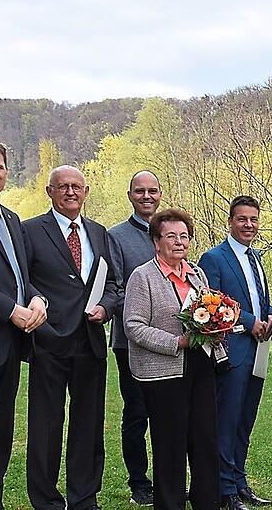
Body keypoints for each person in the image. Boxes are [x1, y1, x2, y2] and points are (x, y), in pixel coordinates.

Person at [23, 165, 119, 510]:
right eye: (62, 186)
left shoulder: (98, 232)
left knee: (88, 425)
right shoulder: (30, 230)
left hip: (89, 341)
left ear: (86, 191)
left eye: (76, 186)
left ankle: (83, 496)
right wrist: (39, 306)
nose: (70, 192)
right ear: (50, 191)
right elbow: (22, 281)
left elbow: (112, 283)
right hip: (48, 340)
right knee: (46, 424)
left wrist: (106, 309)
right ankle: (45, 498)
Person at [123, 208, 222, 510]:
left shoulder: (196, 273)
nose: (179, 242)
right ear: (156, 241)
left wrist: (217, 326)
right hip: (164, 373)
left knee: (204, 441)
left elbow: (209, 312)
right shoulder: (143, 277)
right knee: (170, 446)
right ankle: (169, 504)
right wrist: (177, 342)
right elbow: (133, 326)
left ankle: (207, 503)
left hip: (201, 367)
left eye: (184, 236)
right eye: (171, 236)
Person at [0, 139, 47, 509]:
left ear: (6, 170)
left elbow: (20, 276)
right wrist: (9, 310)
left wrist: (36, 299)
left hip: (11, 347)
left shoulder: (11, 219)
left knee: (0, 436)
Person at [198, 196, 272, 509]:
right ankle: (223, 489)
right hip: (232, 350)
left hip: (259, 349)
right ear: (230, 221)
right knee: (226, 421)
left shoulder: (256, 256)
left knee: (245, 420)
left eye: (254, 219)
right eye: (242, 219)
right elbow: (210, 301)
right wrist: (248, 321)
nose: (249, 225)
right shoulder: (214, 258)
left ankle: (239, 480)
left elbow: (261, 296)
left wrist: (269, 315)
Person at [107, 170, 162, 506]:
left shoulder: (171, 231)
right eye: (140, 191)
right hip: (131, 343)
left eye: (152, 191)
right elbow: (114, 289)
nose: (146, 197)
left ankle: (167, 478)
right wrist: (149, 313)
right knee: (137, 413)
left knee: (168, 415)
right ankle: (139, 482)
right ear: (130, 195)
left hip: (171, 346)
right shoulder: (117, 236)